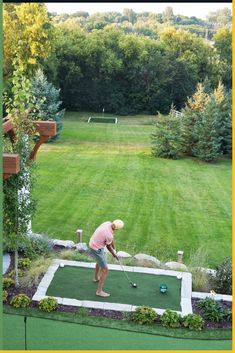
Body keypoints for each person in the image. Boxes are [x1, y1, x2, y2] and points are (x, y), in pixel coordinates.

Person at [89, 219, 124, 297]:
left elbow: (111, 240)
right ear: (117, 229)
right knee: (105, 269)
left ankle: (95, 278)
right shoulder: (109, 235)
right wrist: (114, 254)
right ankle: (99, 291)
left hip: (92, 243)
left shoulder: (107, 223)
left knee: (99, 260)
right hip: (97, 248)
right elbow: (108, 246)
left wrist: (114, 248)